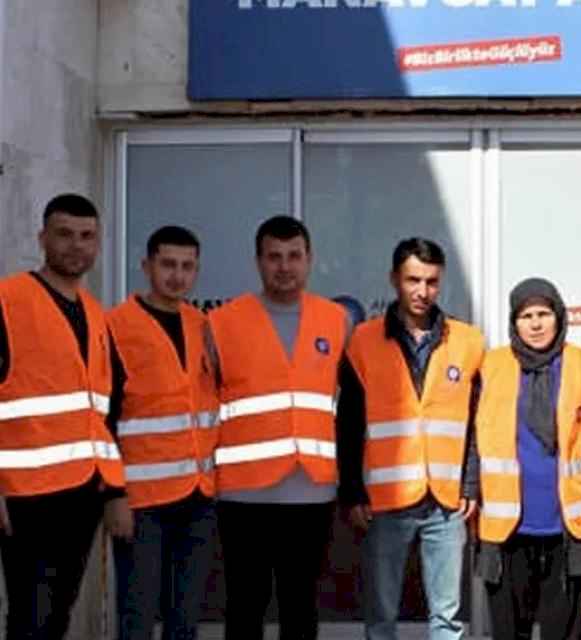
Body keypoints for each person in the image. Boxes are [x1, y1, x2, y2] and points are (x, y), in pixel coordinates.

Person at [207, 215, 349, 640]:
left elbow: (350, 405)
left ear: (309, 260)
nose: (284, 267)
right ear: (258, 261)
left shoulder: (337, 320)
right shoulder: (221, 323)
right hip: (243, 494)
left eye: (294, 256)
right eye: (274, 257)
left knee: (300, 607)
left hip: (311, 490)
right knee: (244, 606)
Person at [336, 238, 484, 640]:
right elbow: (348, 423)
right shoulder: (363, 341)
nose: (422, 291)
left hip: (446, 502)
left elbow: (475, 423)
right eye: (413, 280)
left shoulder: (468, 342)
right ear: (394, 280)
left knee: (447, 618)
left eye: (432, 282)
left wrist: (470, 483)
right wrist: (351, 491)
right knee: (381, 617)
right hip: (385, 501)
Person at [0, 193, 126, 639]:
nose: (76, 246)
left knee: (57, 616)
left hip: (82, 491)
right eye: (65, 234)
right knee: (30, 618)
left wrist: (114, 491)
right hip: (25, 495)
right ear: (42, 238)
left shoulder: (94, 313)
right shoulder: (8, 300)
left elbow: (105, 411)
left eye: (87, 236)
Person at [104, 225, 218, 640]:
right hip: (142, 501)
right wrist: (113, 496)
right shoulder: (115, 326)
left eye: (187, 266)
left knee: (184, 618)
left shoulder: (201, 325)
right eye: (168, 264)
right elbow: (102, 419)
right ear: (146, 266)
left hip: (198, 496)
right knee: (137, 616)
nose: (178, 276)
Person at [474, 277, 581, 640]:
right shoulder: (491, 365)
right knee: (509, 632)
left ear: (559, 316)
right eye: (526, 316)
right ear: (513, 322)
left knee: (564, 632)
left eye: (544, 313)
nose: (536, 324)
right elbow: (472, 436)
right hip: (507, 527)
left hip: (566, 525)